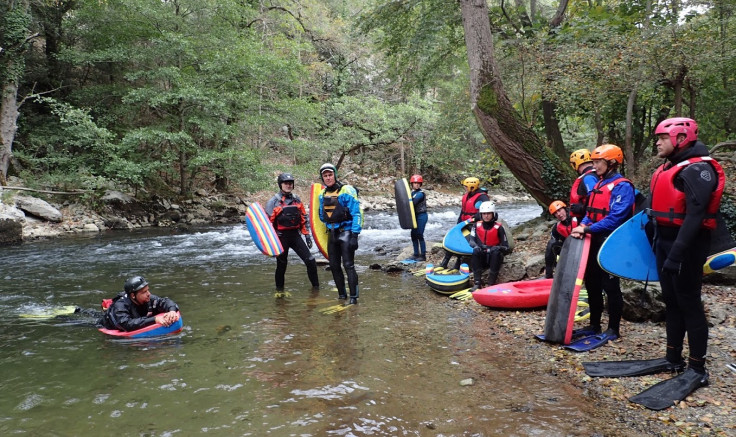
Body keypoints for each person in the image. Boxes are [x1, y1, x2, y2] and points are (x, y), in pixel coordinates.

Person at [647, 117, 724, 385]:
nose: (657, 142)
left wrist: (676, 254)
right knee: (671, 300)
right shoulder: (670, 167)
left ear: (681, 139)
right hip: (665, 242)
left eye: (663, 138)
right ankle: (673, 358)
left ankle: (698, 368)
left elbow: (696, 215)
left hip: (687, 245)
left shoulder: (698, 170)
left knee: (689, 302)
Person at [570, 144, 635, 343]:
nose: (594, 165)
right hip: (593, 241)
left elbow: (616, 218)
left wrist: (587, 229)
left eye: (599, 162)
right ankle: (594, 324)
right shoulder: (598, 184)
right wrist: (581, 227)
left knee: (611, 286)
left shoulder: (622, 186)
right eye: (594, 161)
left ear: (612, 163)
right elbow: (590, 214)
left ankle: (613, 328)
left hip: (611, 243)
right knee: (592, 283)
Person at [265, 173, 320, 291]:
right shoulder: (273, 202)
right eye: (286, 183)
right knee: (282, 264)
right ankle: (279, 291)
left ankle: (316, 289)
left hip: (295, 236)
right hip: (281, 237)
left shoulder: (296, 199)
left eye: (290, 183)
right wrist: (271, 242)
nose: (288, 185)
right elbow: (267, 223)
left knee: (310, 260)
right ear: (280, 185)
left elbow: (303, 218)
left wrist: (307, 236)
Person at [318, 163, 363, 304]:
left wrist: (355, 235)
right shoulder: (322, 194)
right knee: (334, 265)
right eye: (325, 176)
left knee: (348, 265)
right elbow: (321, 215)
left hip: (347, 233)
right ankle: (342, 295)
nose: (328, 178)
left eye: (330, 175)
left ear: (335, 175)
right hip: (332, 233)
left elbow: (357, 213)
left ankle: (354, 298)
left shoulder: (346, 191)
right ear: (322, 178)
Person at [439, 177, 491, 270]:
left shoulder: (482, 197)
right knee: (454, 238)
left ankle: (458, 262)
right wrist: (459, 223)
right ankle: (445, 262)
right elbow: (463, 210)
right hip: (464, 223)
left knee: (462, 241)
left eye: (466, 186)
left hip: (474, 225)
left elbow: (485, 212)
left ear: (472, 186)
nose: (465, 188)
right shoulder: (467, 195)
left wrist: (471, 220)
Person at [100, 276, 179, 331]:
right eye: (144, 292)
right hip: (106, 324)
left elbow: (165, 301)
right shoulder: (120, 305)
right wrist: (154, 319)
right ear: (133, 295)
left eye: (148, 290)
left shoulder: (149, 299)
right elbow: (127, 324)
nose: (148, 294)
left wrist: (172, 310)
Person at [468, 201, 510, 292]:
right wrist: (476, 246)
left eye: (488, 214)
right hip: (482, 255)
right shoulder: (476, 226)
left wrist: (498, 248)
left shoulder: (498, 228)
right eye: (484, 214)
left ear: (493, 214)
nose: (486, 216)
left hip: (494, 256)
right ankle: (477, 283)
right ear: (481, 215)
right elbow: (471, 241)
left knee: (496, 252)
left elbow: (506, 247)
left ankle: (491, 283)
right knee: (476, 251)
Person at [544, 200, 578, 279]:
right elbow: (553, 243)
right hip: (569, 249)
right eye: (556, 213)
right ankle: (548, 275)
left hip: (582, 247)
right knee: (551, 244)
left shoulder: (577, 218)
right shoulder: (557, 227)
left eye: (559, 210)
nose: (559, 214)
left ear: (565, 209)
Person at [568, 149, 598, 219]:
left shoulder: (588, 178)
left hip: (592, 219)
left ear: (575, 164)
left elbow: (596, 198)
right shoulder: (597, 174)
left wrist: (582, 208)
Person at [409, 174, 428, 261]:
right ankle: (416, 253)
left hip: (422, 215)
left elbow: (413, 203)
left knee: (419, 234)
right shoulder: (412, 193)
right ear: (412, 184)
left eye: (418, 183)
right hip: (414, 216)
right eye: (415, 183)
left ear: (420, 184)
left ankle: (423, 255)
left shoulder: (420, 194)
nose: (416, 185)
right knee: (413, 234)